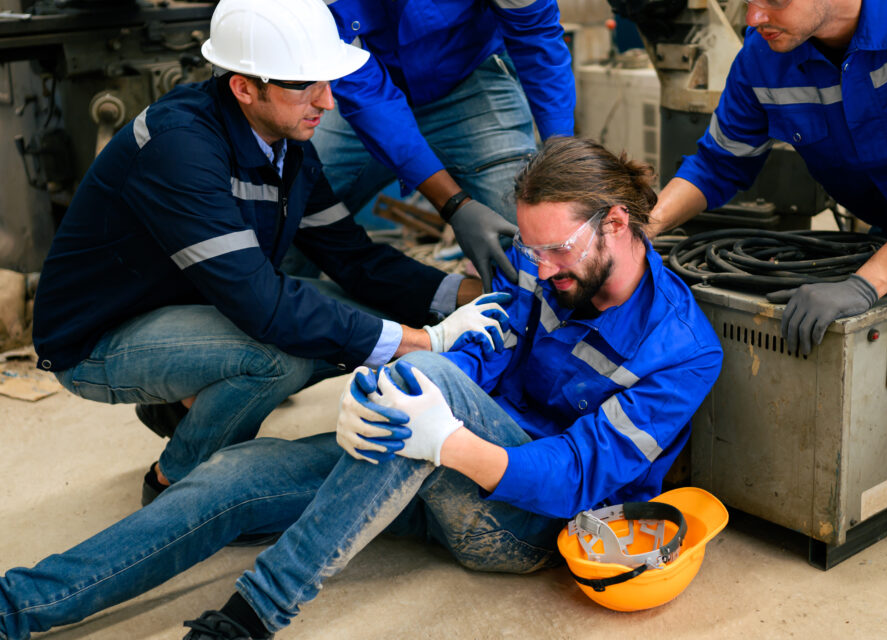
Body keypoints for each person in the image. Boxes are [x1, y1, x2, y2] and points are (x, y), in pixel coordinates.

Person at [0, 137, 723, 640]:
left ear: (617, 224)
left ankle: (254, 613)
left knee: (425, 384)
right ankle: (20, 603)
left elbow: (572, 481)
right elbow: (482, 356)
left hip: (521, 522)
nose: (539, 268)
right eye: (530, 251)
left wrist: (444, 432)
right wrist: (385, 395)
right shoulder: (544, 266)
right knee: (234, 476)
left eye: (555, 250)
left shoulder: (684, 352)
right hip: (442, 465)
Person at [30, 0, 505, 505]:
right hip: (99, 338)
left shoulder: (286, 144)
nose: (326, 102)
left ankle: (181, 406)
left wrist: (463, 297)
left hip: (194, 309)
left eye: (326, 80)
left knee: (372, 319)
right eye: (304, 85)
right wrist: (423, 343)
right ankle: (176, 485)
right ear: (244, 87)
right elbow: (263, 306)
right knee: (278, 355)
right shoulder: (181, 148)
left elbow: (355, 260)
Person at [648, 0, 887, 524]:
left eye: (772, 0)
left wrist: (869, 283)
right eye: (745, 1)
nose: (753, 18)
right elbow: (718, 161)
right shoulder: (764, 57)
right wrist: (645, 225)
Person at [301, 0, 576, 291]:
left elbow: (535, 33)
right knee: (296, 200)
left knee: (532, 229)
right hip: (354, 90)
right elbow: (365, 94)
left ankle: (527, 321)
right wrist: (454, 204)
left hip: (469, 78)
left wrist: (561, 153)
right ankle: (288, 309)